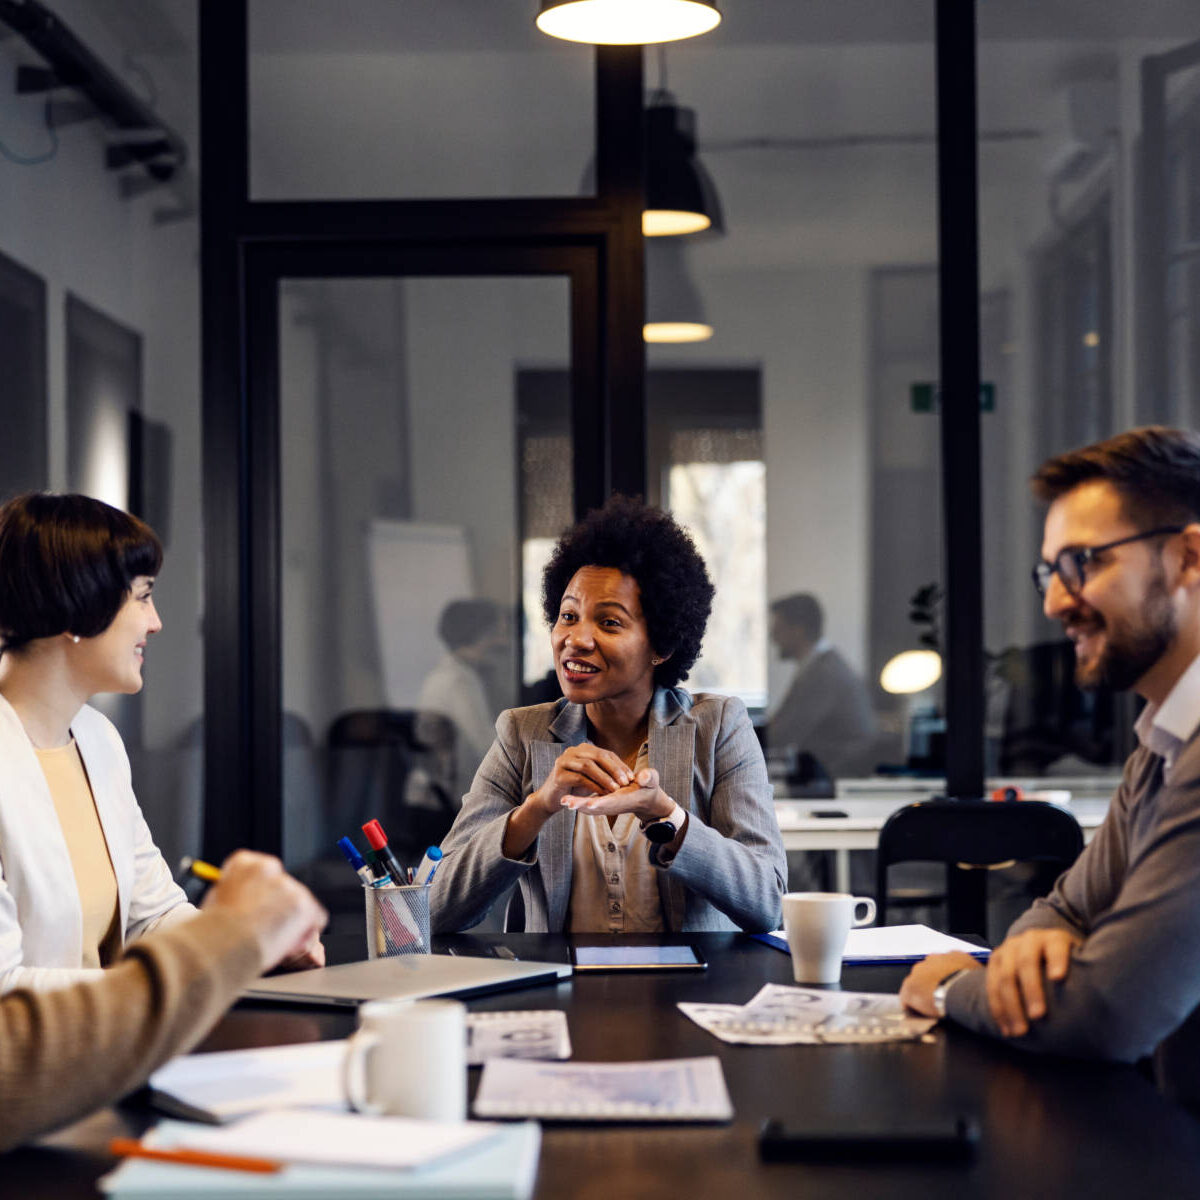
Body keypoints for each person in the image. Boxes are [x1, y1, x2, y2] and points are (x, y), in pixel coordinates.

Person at [900, 427, 1200, 1110]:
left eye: (1084, 563)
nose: (1056, 602)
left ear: (1187, 557)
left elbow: (1107, 1012)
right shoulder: (1160, 744)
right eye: (1051, 571)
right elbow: (1068, 905)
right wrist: (1031, 946)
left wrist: (950, 984)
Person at [0, 492, 322, 992]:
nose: (156, 621)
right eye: (144, 596)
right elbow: (4, 988)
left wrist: (250, 941)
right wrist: (173, 978)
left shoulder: (96, 738)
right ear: (79, 606)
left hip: (110, 1054)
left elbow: (151, 916)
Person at [430, 495, 786, 934]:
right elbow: (434, 909)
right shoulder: (522, 734)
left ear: (661, 646)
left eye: (609, 623)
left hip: (689, 992)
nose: (575, 640)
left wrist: (668, 818)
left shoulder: (718, 727)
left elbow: (769, 901)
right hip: (563, 994)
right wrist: (537, 808)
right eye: (567, 616)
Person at [0, 850, 326, 1152]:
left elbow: (153, 914)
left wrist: (262, 933)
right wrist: (226, 943)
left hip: (100, 1093)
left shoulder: (104, 782)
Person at [767, 592, 878, 781]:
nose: (772, 637)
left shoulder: (824, 673)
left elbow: (785, 733)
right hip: (828, 774)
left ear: (798, 630)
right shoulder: (818, 665)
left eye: (778, 629)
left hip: (841, 778)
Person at [417, 599, 508, 799]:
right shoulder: (458, 681)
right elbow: (484, 747)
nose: (505, 641)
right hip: (452, 799)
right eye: (500, 632)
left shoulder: (453, 675)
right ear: (484, 633)